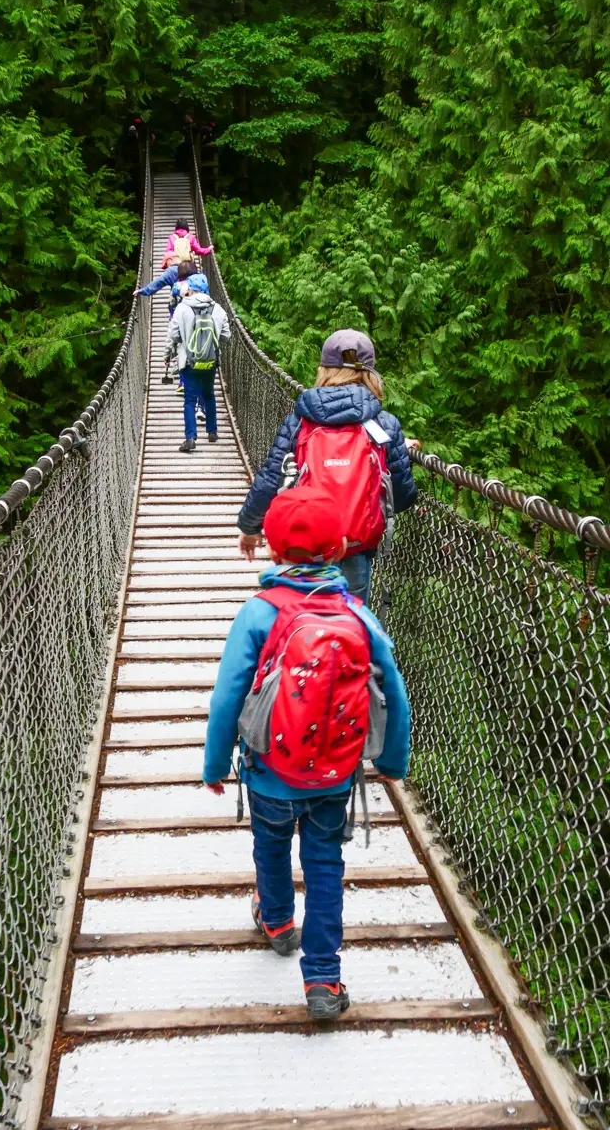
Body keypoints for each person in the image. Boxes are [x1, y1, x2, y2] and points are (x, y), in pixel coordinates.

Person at [203, 487, 410, 1020]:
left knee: (270, 848)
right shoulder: (357, 614)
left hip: (269, 773)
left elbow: (228, 693)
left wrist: (214, 763)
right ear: (340, 547)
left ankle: (275, 922)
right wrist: (390, 763)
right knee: (324, 865)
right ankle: (322, 977)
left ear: (272, 550)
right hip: (334, 776)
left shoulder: (257, 612)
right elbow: (394, 690)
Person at [236, 329, 417, 603]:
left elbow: (271, 479)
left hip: (302, 549)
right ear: (370, 374)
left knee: (298, 616)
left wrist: (249, 528)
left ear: (323, 370)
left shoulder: (300, 421)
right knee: (349, 621)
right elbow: (403, 495)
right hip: (355, 548)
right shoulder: (384, 425)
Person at [166, 273, 230, 452]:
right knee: (209, 394)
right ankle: (212, 432)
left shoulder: (182, 308)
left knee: (190, 399)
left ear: (191, 290)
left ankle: (190, 438)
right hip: (210, 362)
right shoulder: (218, 309)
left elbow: (174, 335)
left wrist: (171, 352)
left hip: (189, 362)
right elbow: (226, 336)